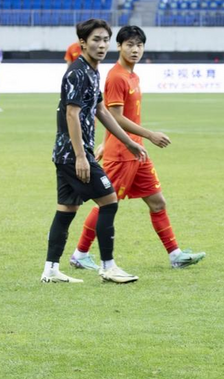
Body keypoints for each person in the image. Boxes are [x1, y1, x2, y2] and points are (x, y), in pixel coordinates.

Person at [69, 26, 205, 271]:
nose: (135, 50)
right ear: (119, 47)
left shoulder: (132, 75)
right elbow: (115, 116)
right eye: (129, 45)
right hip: (123, 154)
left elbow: (110, 116)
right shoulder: (117, 76)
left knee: (157, 202)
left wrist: (103, 141)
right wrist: (149, 134)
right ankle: (80, 253)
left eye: (139, 45)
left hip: (136, 152)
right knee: (107, 203)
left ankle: (175, 255)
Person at [41, 19, 147, 284]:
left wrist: (129, 142)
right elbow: (72, 113)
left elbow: (101, 110)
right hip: (72, 154)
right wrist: (80, 156)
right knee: (109, 201)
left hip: (67, 153)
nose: (101, 45)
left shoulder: (92, 71)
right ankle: (108, 266)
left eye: (105, 40)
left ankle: (51, 269)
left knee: (66, 209)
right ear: (83, 43)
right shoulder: (77, 72)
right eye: (96, 40)